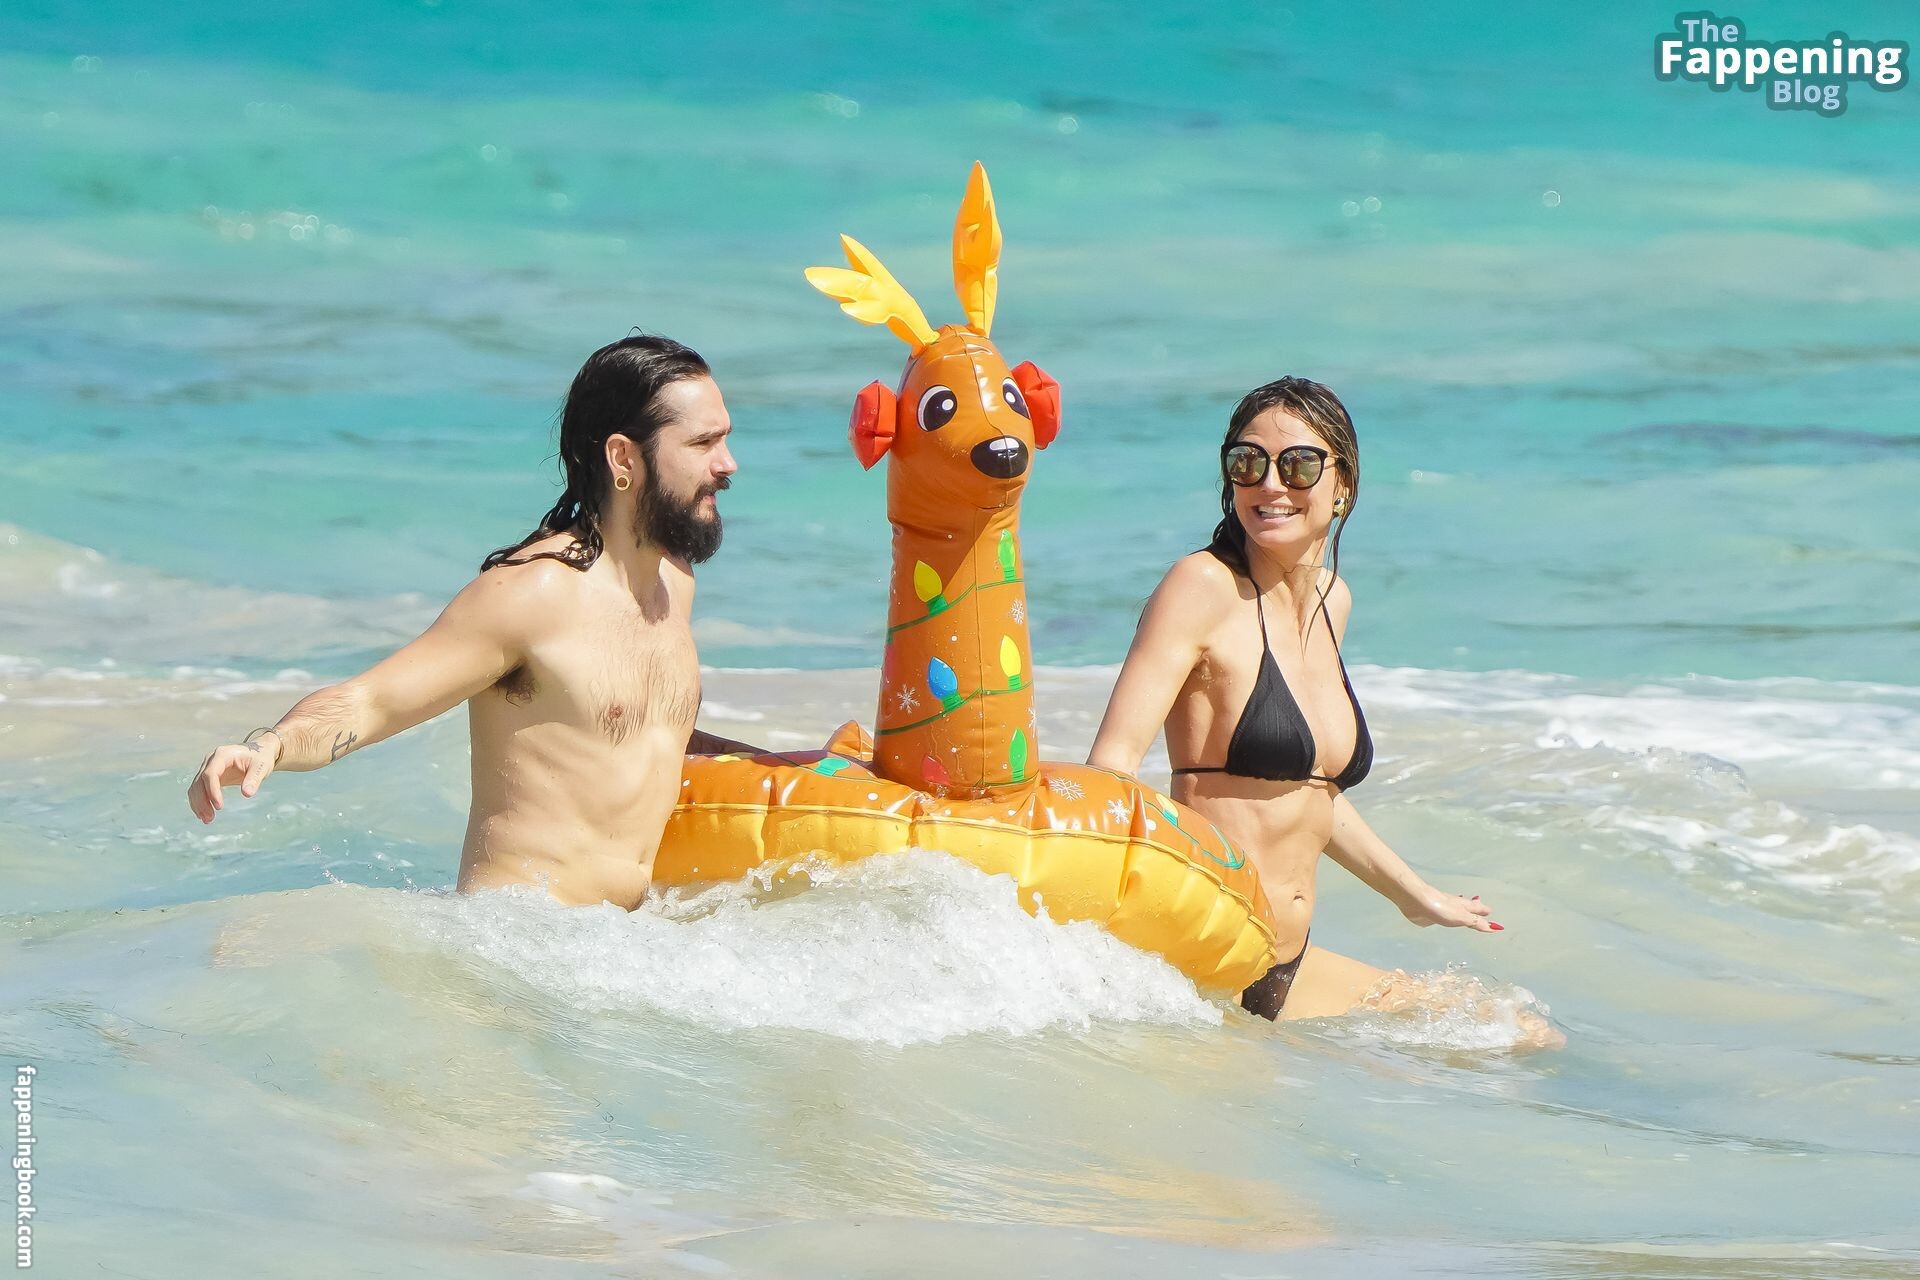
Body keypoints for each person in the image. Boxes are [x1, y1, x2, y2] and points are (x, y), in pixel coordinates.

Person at [187, 334, 756, 908]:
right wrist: (269, 745)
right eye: (703, 442)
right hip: (519, 934)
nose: (727, 463)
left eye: (725, 438)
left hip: (620, 939)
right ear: (624, 458)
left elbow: (634, 737)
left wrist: (798, 773)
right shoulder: (532, 594)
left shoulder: (672, 582)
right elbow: (375, 701)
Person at [1088, 377, 1504, 1022]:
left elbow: (1309, 795)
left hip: (1280, 958)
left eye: (1299, 464)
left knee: (1508, 1029)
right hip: (1204, 950)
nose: (1270, 484)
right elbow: (1111, 769)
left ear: (1343, 486)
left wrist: (1414, 896)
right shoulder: (1202, 585)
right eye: (1247, 462)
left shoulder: (1332, 600)